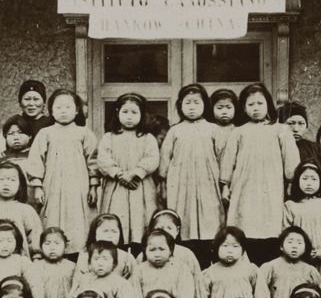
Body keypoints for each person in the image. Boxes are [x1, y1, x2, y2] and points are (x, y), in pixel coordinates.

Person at [220, 83, 300, 264]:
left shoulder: (281, 130)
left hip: (271, 187)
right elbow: (228, 163)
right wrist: (225, 186)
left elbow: (291, 163)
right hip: (244, 188)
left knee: (271, 229)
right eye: (251, 105)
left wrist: (291, 182)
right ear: (244, 108)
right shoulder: (238, 132)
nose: (256, 108)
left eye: (260, 103)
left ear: (268, 105)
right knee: (245, 229)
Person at [158, 83, 225, 265]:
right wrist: (163, 181)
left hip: (208, 184)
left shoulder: (213, 129)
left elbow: (223, 158)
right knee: (184, 223)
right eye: (187, 103)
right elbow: (164, 160)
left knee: (209, 224)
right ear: (180, 106)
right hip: (181, 185)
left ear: (205, 105)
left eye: (197, 102)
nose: (192, 107)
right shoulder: (175, 131)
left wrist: (224, 183)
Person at [27, 89, 98, 255]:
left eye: (68, 107)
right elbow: (36, 160)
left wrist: (94, 185)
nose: (63, 111)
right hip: (52, 186)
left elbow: (94, 160)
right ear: (51, 111)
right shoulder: (45, 133)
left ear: (77, 110)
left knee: (78, 218)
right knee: (51, 214)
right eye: (58, 107)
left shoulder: (84, 133)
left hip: (78, 185)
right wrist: (37, 185)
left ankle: (77, 252)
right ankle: (52, 250)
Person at [97, 92, 160, 247]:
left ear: (142, 114)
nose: (129, 117)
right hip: (116, 187)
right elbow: (103, 159)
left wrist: (135, 173)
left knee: (141, 223)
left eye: (134, 112)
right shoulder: (109, 137)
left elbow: (153, 158)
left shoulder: (147, 138)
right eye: (125, 112)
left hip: (140, 186)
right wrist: (119, 174)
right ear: (117, 113)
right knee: (117, 220)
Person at [196, 226, 259, 298]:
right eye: (225, 246)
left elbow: (260, 294)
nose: (230, 250)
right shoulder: (209, 273)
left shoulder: (251, 270)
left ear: (243, 250)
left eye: (235, 246)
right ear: (217, 248)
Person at [255, 226, 321, 298]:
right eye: (290, 242)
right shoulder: (270, 267)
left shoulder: (310, 271)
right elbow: (260, 292)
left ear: (305, 248)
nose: (294, 246)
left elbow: (319, 295)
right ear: (281, 246)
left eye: (299, 243)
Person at [279, 101, 321, 201]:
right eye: (290, 123)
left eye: (301, 123)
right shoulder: (274, 149)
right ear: (281, 125)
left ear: (306, 126)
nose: (296, 129)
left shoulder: (317, 150)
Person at [69, 241, 140, 298]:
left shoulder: (120, 282)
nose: (100, 263)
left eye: (105, 259)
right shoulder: (85, 279)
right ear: (89, 263)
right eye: (96, 259)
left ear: (114, 263)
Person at [130, 228, 195, 298]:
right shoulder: (139, 270)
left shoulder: (180, 269)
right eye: (152, 250)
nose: (157, 254)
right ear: (145, 251)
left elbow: (186, 295)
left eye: (162, 249)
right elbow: (136, 295)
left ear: (171, 250)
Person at [30, 227, 76, 298]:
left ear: (65, 246)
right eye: (47, 243)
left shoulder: (72, 267)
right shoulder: (36, 266)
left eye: (57, 243)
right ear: (41, 247)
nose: (52, 248)